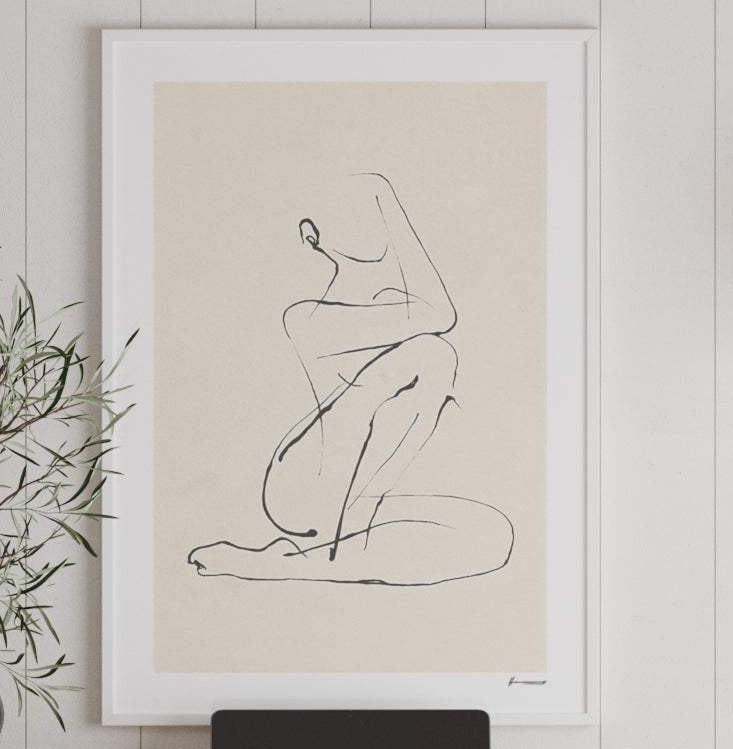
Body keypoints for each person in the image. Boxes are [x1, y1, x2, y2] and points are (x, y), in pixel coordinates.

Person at [188, 173, 513, 587]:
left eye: (375, 212)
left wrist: (383, 202)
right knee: (434, 354)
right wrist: (382, 197)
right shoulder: (307, 318)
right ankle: (324, 553)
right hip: (304, 483)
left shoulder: (398, 303)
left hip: (360, 490)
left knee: (493, 535)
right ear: (311, 235)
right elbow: (441, 313)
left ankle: (300, 559)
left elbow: (434, 312)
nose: (370, 223)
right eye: (350, 213)